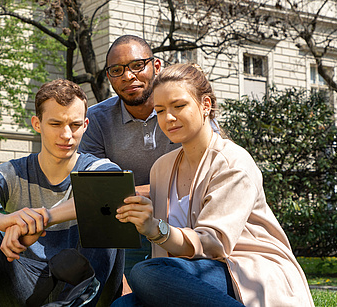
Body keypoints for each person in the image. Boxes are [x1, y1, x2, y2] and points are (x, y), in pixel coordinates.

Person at [111, 63, 314, 306]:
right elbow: (165, 256)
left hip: (245, 272)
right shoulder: (162, 168)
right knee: (123, 304)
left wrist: (156, 229)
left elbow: (212, 245)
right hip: (190, 274)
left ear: (205, 105)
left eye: (179, 106)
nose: (169, 118)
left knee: (145, 272)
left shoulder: (232, 163)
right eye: (161, 110)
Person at [0, 79, 124, 307]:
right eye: (55, 124)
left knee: (108, 210)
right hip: (25, 283)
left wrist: (41, 220)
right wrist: (3, 221)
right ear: (37, 123)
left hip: (86, 285)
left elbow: (113, 194)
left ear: (85, 125)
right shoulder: (13, 172)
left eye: (74, 125)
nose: (66, 134)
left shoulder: (97, 168)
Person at [78, 35, 183, 274]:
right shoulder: (95, 119)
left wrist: (130, 191)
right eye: (117, 70)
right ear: (109, 77)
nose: (128, 76)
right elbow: (97, 187)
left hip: (184, 221)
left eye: (137, 65)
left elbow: (204, 176)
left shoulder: (184, 108)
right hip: (124, 226)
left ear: (155, 66)